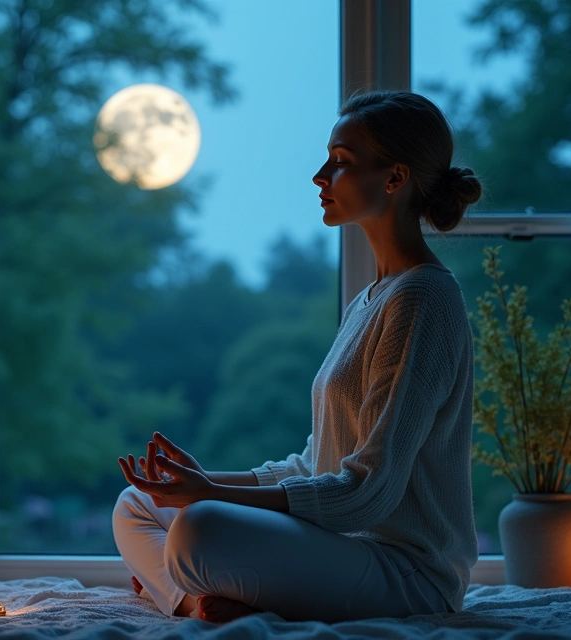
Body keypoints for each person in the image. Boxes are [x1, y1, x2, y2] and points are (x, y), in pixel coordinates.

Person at [112, 90, 482, 624]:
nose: (319, 176)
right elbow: (314, 467)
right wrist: (202, 480)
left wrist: (212, 495)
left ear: (395, 178)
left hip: (406, 573)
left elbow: (369, 493)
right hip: (340, 546)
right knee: (138, 503)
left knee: (200, 528)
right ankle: (196, 603)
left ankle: (178, 592)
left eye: (341, 162)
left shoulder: (423, 301)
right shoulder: (372, 298)